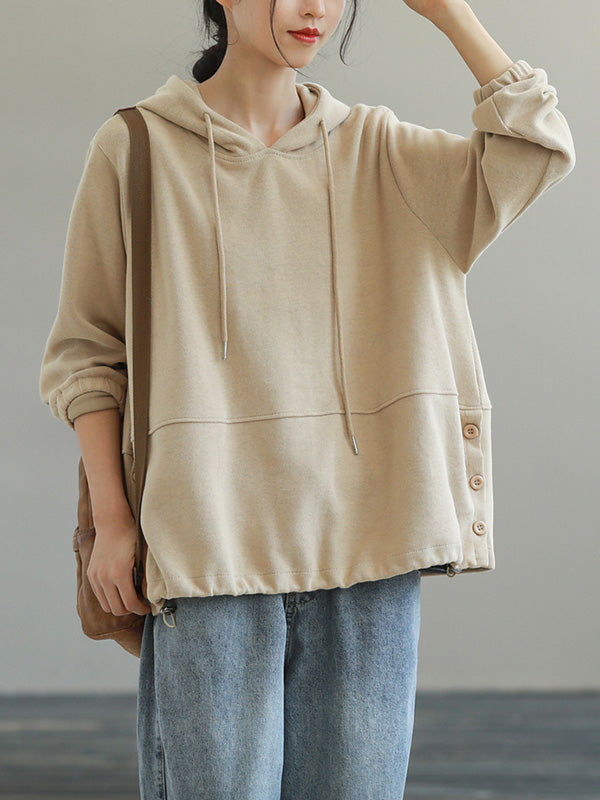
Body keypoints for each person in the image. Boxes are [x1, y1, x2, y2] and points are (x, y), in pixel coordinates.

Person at [38, 0, 576, 797]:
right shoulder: (137, 148)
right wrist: (114, 524)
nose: (316, 7)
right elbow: (88, 354)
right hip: (209, 550)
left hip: (369, 552)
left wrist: (450, 12)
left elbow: (534, 147)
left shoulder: (381, 153)